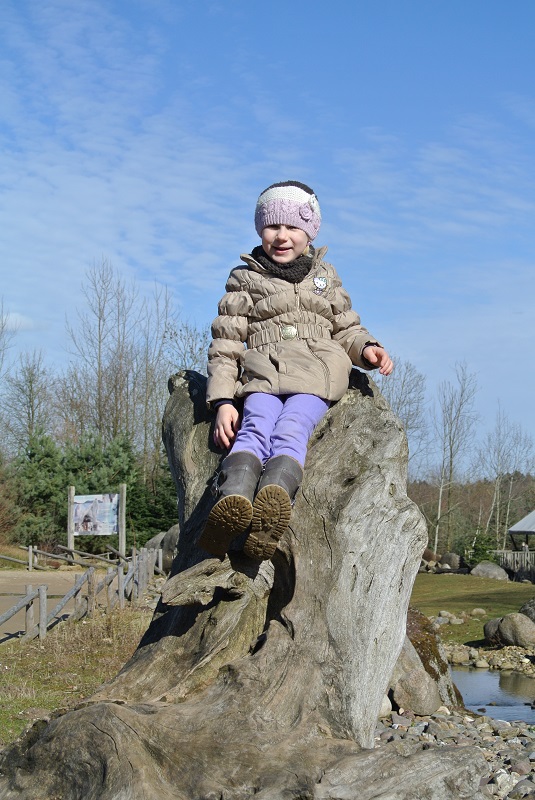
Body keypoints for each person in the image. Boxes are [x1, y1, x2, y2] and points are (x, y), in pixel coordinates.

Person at [199, 180, 393, 561]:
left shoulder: (324, 277)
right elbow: (226, 342)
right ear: (260, 229)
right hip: (265, 373)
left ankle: (273, 501)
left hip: (315, 375)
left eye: (292, 227)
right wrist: (222, 400)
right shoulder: (245, 278)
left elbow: (346, 327)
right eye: (273, 226)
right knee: (255, 425)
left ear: (310, 232)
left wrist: (366, 348)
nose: (282, 236)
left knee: (292, 427)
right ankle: (233, 498)